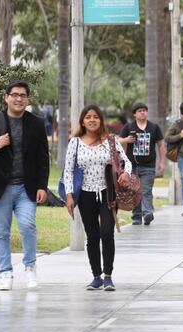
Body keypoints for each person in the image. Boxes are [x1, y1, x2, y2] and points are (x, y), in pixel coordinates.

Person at [0, 80, 49, 291]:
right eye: (14, 95)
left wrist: (42, 186)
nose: (18, 98)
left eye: (23, 95)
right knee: (1, 232)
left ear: (28, 99)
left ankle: (30, 267)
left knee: (28, 226)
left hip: (26, 187)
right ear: (6, 97)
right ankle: (5, 273)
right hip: (1, 186)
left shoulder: (36, 123)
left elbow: (43, 158)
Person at [64, 104, 132, 291]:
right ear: (82, 121)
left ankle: (108, 276)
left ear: (101, 120)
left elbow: (127, 162)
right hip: (85, 195)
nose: (92, 120)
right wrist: (69, 195)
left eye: (96, 116)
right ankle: (96, 276)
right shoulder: (75, 143)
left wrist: (125, 174)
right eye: (88, 117)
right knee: (92, 236)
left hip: (108, 192)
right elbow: (68, 171)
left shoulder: (111, 141)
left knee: (106, 232)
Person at [118, 102, 165, 225]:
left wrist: (162, 162)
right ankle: (136, 217)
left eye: (144, 110)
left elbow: (161, 145)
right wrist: (126, 140)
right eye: (139, 111)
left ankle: (148, 212)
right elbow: (118, 140)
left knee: (146, 190)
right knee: (134, 191)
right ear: (134, 114)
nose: (142, 112)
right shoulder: (128, 127)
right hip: (132, 165)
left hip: (148, 165)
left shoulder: (154, 127)